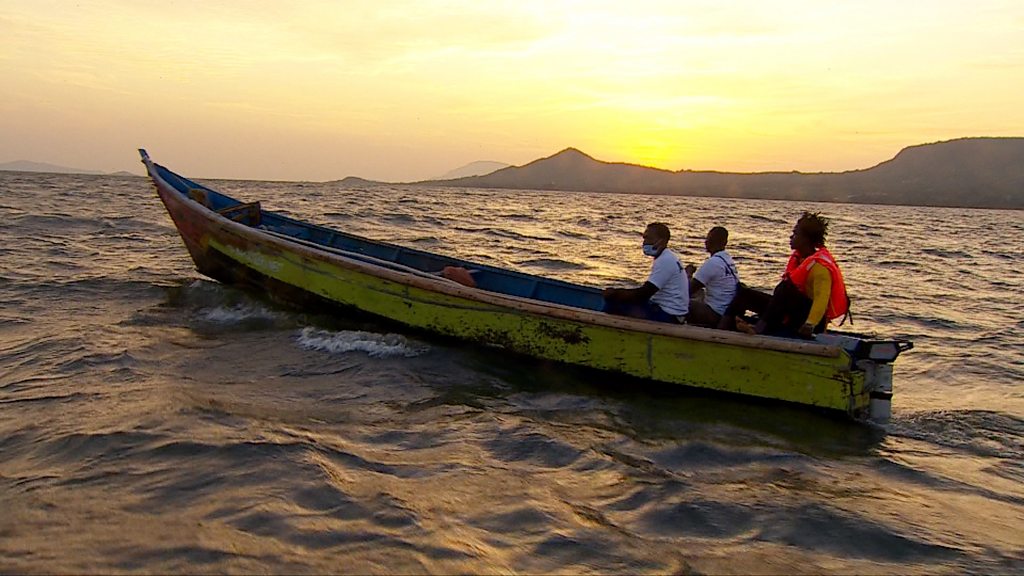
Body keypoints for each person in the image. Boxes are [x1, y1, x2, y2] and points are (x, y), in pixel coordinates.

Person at [720, 212, 849, 338]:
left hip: (811, 321)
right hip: (789, 312)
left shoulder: (820, 267)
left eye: (795, 234)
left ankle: (758, 330)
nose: (791, 237)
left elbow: (822, 300)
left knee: (785, 288)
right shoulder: (800, 260)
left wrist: (810, 324)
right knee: (744, 293)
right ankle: (721, 330)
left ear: (806, 239)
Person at [603, 222, 689, 324]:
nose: (644, 242)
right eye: (644, 239)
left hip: (669, 315)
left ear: (661, 241)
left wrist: (615, 293)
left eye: (648, 238)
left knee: (614, 303)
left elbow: (644, 293)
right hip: (671, 312)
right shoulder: (668, 257)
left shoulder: (665, 260)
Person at [684, 226, 739, 328]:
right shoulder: (728, 260)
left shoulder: (713, 262)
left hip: (716, 314)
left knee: (679, 300)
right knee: (700, 295)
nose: (706, 242)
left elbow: (688, 290)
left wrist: (687, 274)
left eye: (708, 239)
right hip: (726, 310)